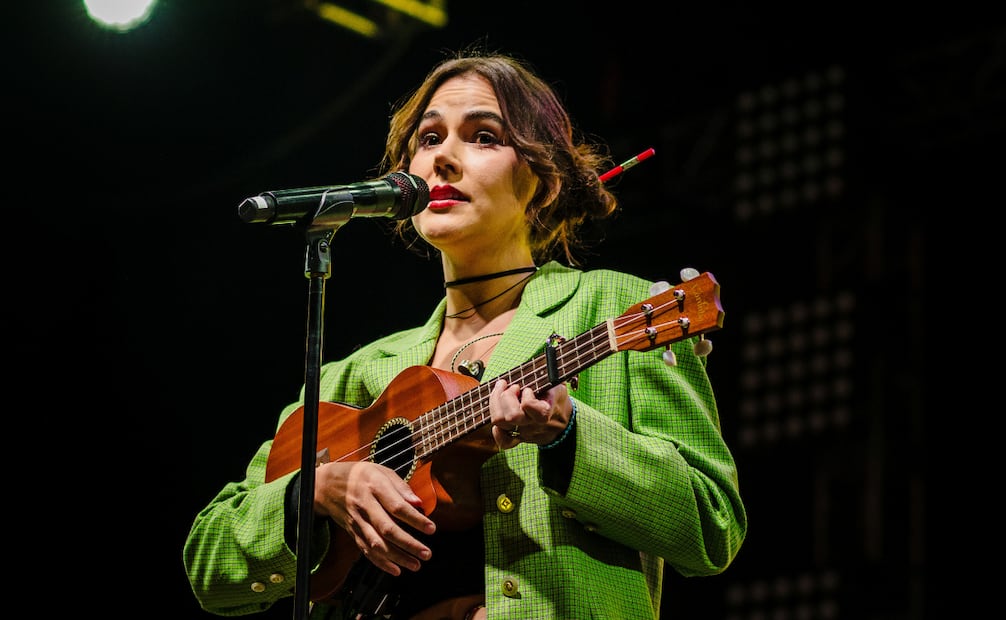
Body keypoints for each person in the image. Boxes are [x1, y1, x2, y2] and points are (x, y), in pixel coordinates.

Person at [183, 49, 747, 620]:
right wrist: (317, 491)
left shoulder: (616, 307)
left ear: (545, 182)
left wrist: (569, 433)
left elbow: (711, 525)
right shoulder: (355, 374)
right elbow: (209, 566)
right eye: (428, 139)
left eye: (482, 137)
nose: (443, 158)